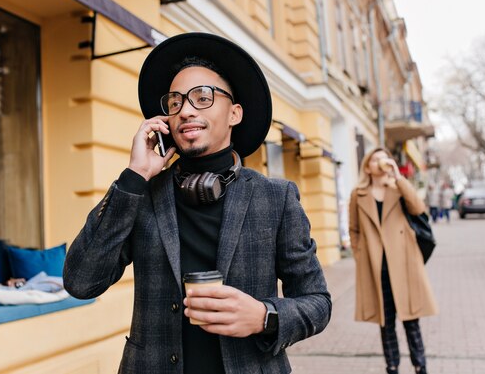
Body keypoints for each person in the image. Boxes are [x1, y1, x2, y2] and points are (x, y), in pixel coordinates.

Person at [63, 32, 332, 374]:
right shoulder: (140, 194)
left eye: (202, 97)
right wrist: (133, 176)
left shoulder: (275, 198)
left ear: (234, 113)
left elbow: (318, 303)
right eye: (175, 102)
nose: (186, 110)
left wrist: (265, 316)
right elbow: (81, 281)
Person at [348, 148, 438, 374]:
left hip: (404, 263)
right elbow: (354, 230)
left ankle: (420, 366)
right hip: (376, 266)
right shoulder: (357, 194)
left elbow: (418, 208)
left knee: (411, 319)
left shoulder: (398, 188)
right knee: (385, 322)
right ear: (367, 167)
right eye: (375, 160)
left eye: (384, 158)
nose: (380, 163)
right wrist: (361, 255)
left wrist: (398, 176)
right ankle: (393, 366)